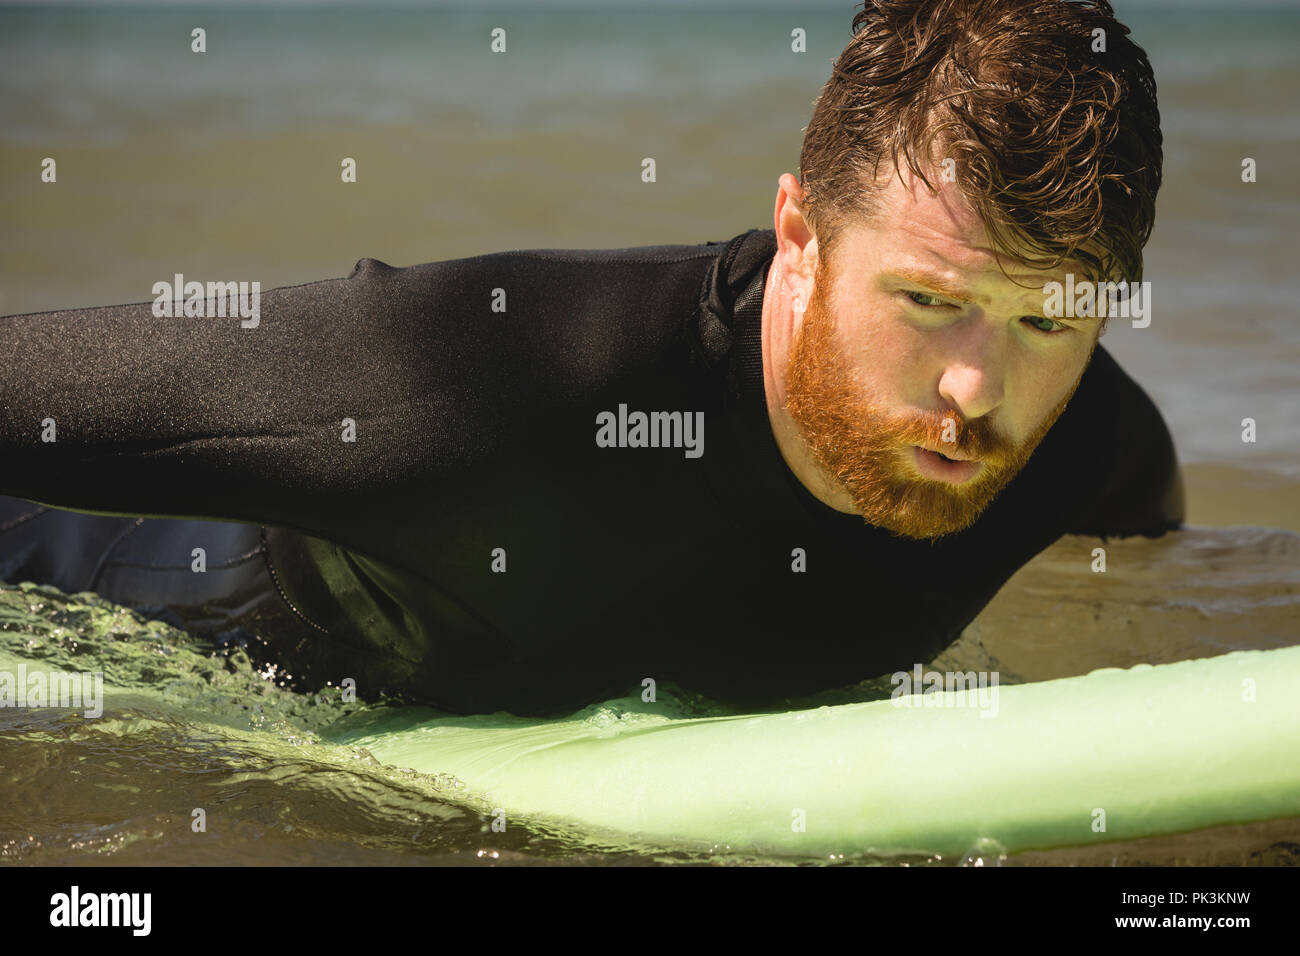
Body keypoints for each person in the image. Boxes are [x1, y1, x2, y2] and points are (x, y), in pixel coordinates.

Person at [0, 0, 1182, 715]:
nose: (976, 388)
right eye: (927, 298)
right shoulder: (487, 388)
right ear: (799, 236)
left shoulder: (1095, 456)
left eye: (1046, 320)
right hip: (113, 608)